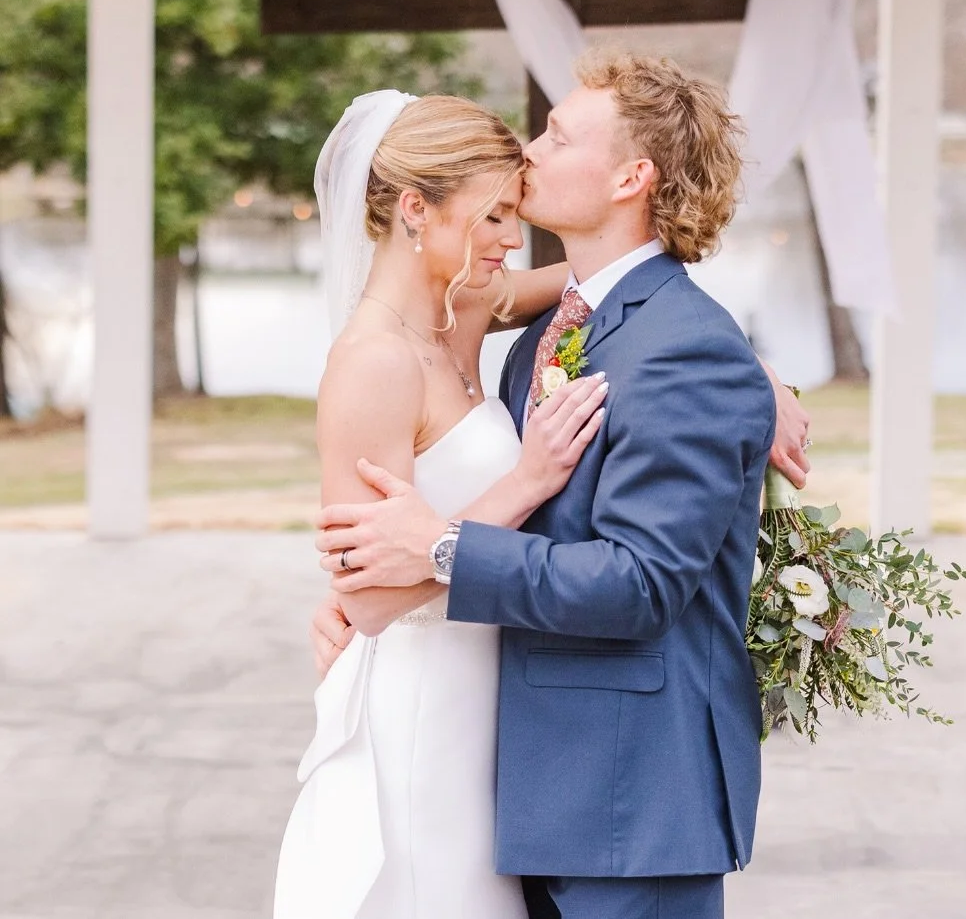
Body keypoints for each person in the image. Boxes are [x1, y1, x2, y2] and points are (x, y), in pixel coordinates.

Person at [296, 54, 812, 919]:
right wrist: (373, 592)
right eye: (493, 209)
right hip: (513, 770)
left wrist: (754, 372)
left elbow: (643, 580)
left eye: (558, 134)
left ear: (631, 176)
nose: (531, 154)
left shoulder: (676, 344)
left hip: (624, 796)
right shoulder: (541, 326)